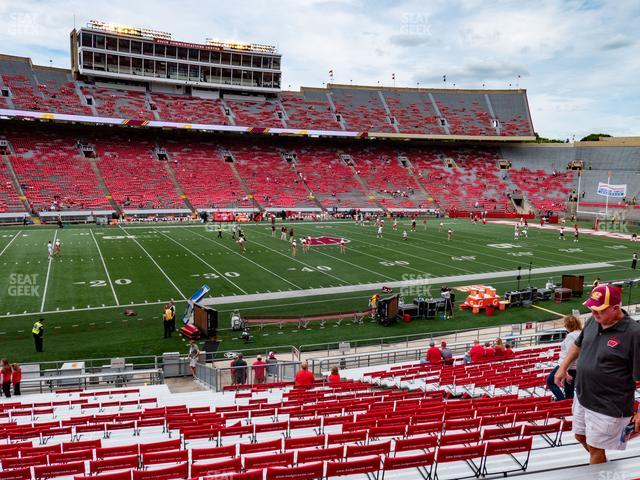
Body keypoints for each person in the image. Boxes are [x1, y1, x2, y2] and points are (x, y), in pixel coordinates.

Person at [554, 284, 640, 464]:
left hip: (608, 403)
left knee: (595, 448)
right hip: (584, 395)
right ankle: (601, 461)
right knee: (580, 435)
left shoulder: (634, 334)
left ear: (616, 308)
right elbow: (578, 344)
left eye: (599, 310)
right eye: (592, 308)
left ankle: (599, 467)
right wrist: (563, 367)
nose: (594, 313)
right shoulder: (594, 320)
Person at [547, 315, 582, 401]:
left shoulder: (571, 336)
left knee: (550, 381)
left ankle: (561, 401)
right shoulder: (582, 333)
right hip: (576, 367)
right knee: (569, 389)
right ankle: (567, 406)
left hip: (567, 366)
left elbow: (572, 354)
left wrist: (565, 371)